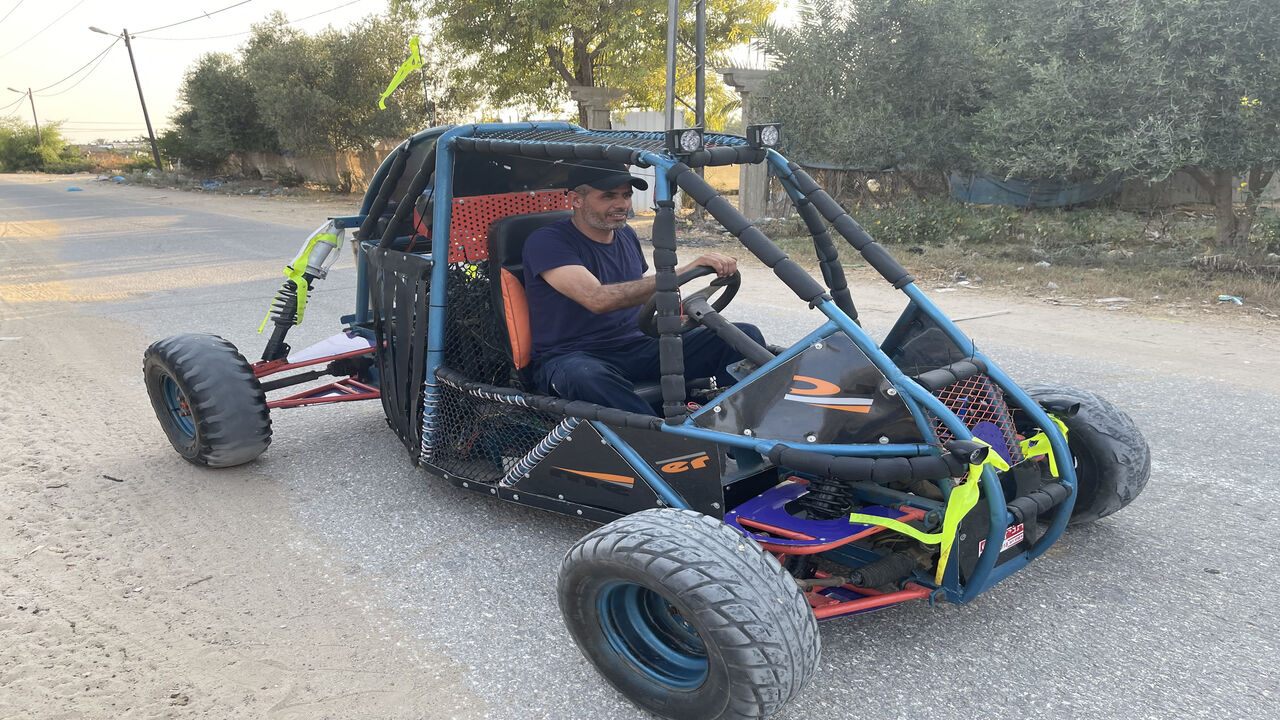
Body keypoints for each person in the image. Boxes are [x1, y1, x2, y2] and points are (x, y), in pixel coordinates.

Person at [522, 160, 766, 415]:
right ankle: (667, 444)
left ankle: (732, 430)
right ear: (576, 199)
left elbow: (641, 292)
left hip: (639, 346)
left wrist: (679, 317)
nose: (622, 205)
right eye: (608, 196)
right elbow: (597, 299)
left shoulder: (626, 235)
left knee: (743, 337)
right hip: (573, 356)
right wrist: (681, 272)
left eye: (626, 195)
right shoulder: (547, 242)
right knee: (586, 377)